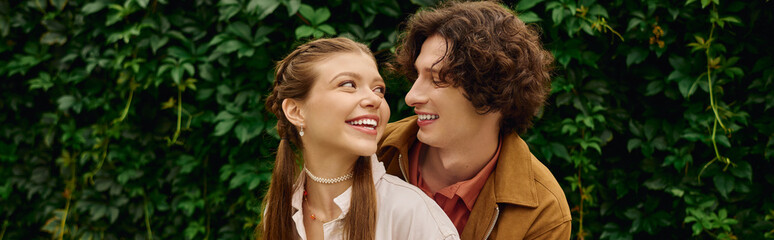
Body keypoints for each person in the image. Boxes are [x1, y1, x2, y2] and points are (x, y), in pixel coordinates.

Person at [377, 1, 571, 239]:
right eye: (417, 75)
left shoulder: (543, 210)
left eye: (437, 79)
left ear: (492, 90)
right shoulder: (371, 151)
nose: (411, 96)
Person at [258, 37, 460, 240]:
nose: (374, 99)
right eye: (348, 84)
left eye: (379, 89)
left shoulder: (409, 215)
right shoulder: (279, 214)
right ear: (296, 111)